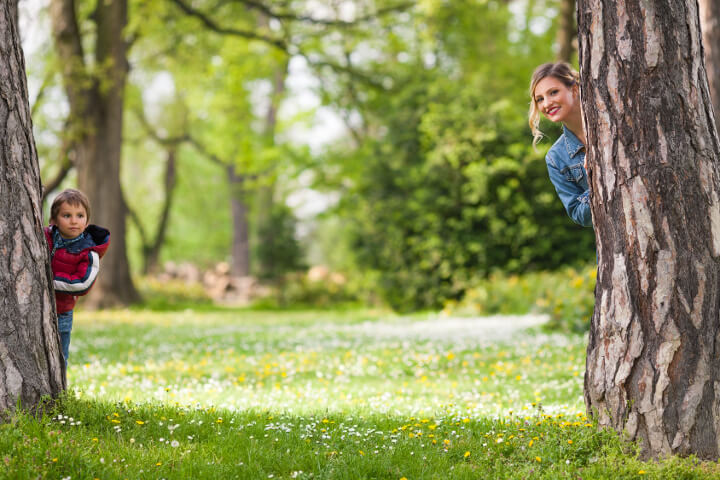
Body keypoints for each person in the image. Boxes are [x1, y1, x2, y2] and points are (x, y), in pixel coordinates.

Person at [44, 188, 110, 371]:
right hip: (36, 306)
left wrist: (47, 282)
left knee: (59, 356)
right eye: (67, 215)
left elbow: (83, 283)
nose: (74, 221)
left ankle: (59, 391)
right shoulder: (45, 237)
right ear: (54, 220)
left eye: (80, 215)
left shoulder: (89, 251)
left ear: (87, 221)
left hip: (62, 312)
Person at [529, 62, 592, 227]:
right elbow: (578, 214)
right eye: (540, 99)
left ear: (574, 89)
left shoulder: (616, 124)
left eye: (553, 92)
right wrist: (597, 182)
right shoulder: (556, 157)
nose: (547, 103)